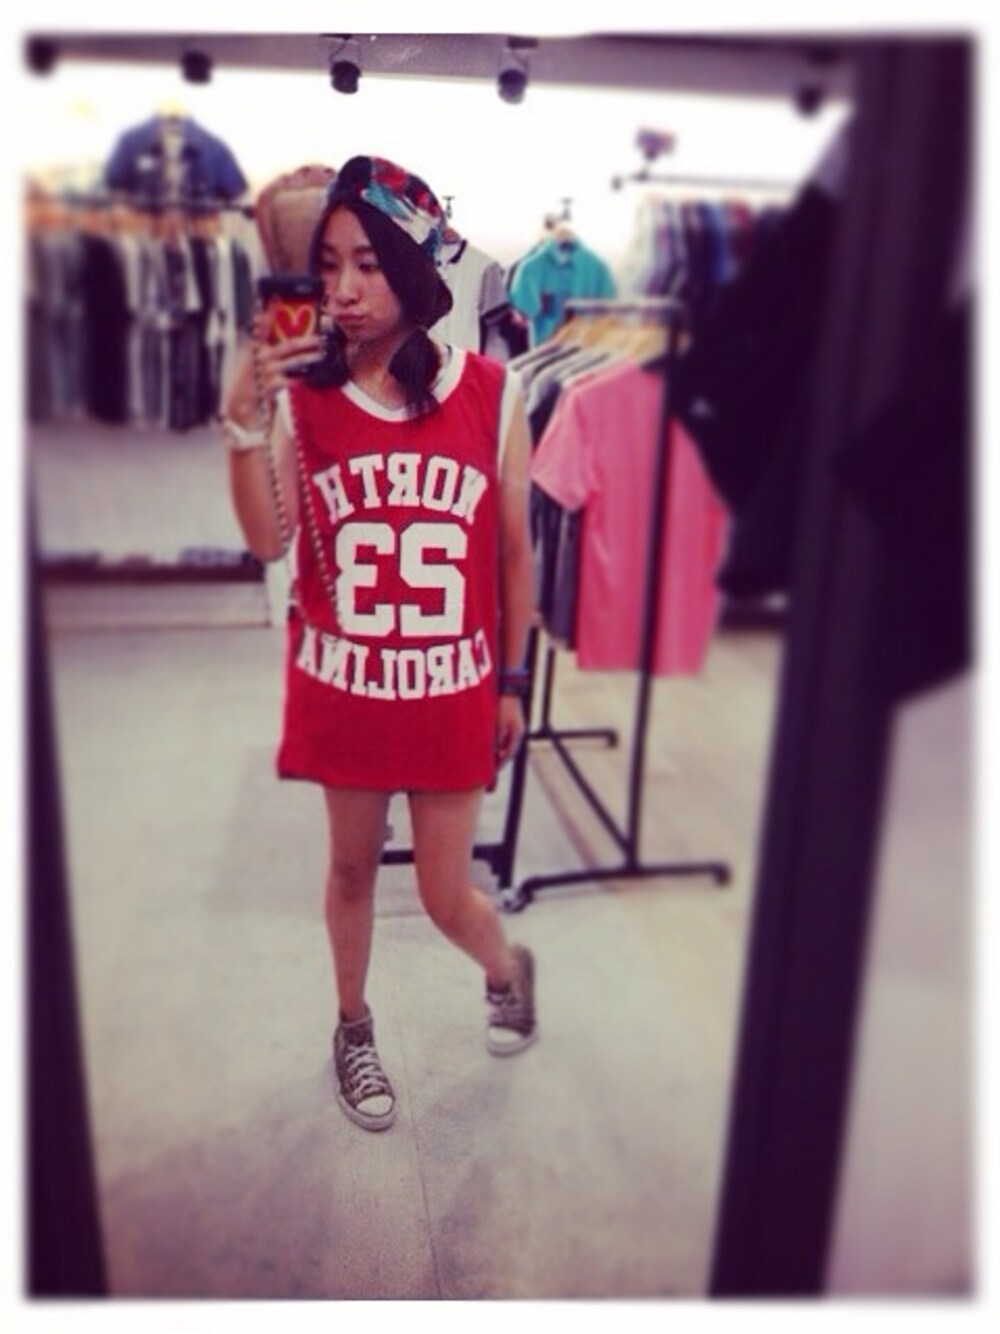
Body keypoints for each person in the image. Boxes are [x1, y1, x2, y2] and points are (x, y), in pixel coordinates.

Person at [218, 156, 537, 1132]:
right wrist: (242, 418)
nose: (344, 290)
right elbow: (268, 539)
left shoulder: (493, 393)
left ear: (410, 265)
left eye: (366, 263)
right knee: (351, 871)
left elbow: (513, 553)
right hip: (346, 685)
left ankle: (507, 966)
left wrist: (512, 680)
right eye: (326, 267)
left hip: (451, 686)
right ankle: (351, 1025)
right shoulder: (303, 400)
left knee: (445, 895)